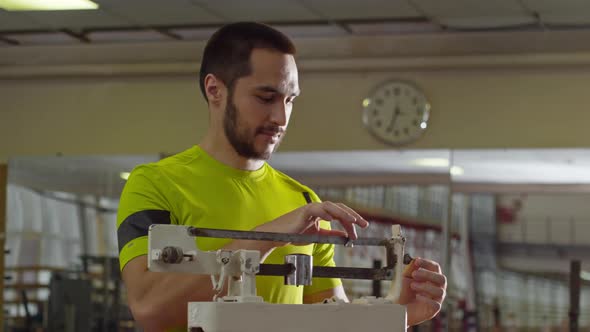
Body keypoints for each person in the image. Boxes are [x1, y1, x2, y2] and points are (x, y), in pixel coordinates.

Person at [117, 22, 447, 332]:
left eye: (290, 100)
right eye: (266, 97)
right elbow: (149, 309)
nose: (281, 116)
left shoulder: (302, 201)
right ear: (215, 89)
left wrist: (396, 313)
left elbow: (330, 320)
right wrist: (271, 235)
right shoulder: (155, 184)